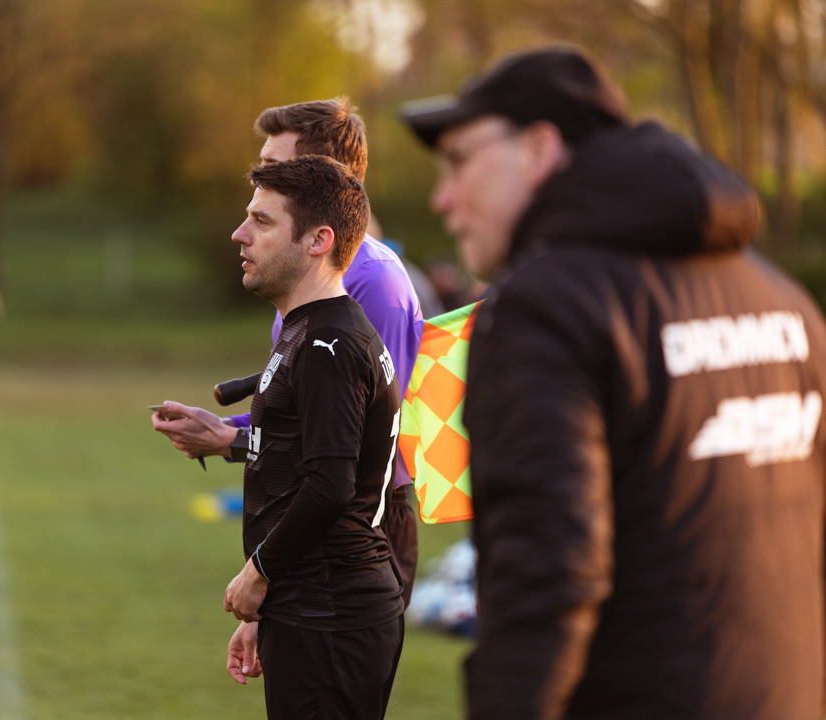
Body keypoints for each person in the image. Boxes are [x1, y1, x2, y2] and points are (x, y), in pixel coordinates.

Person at [401, 46, 826, 719]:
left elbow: (547, 575)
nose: (443, 199)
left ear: (539, 149)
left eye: (458, 161)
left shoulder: (544, 307)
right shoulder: (781, 298)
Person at [152, 98, 424, 605]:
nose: (261, 179)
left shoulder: (373, 280)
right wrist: (225, 429)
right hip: (307, 507)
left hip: (360, 522)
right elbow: (305, 407)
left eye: (275, 166)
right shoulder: (303, 275)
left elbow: (351, 442)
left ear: (325, 175)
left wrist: (232, 443)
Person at [221, 155, 404, 719]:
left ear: (319, 241)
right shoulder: (308, 329)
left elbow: (329, 486)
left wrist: (259, 573)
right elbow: (294, 467)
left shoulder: (330, 346)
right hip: (309, 604)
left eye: (263, 221)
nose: (240, 234)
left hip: (331, 610)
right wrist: (268, 608)